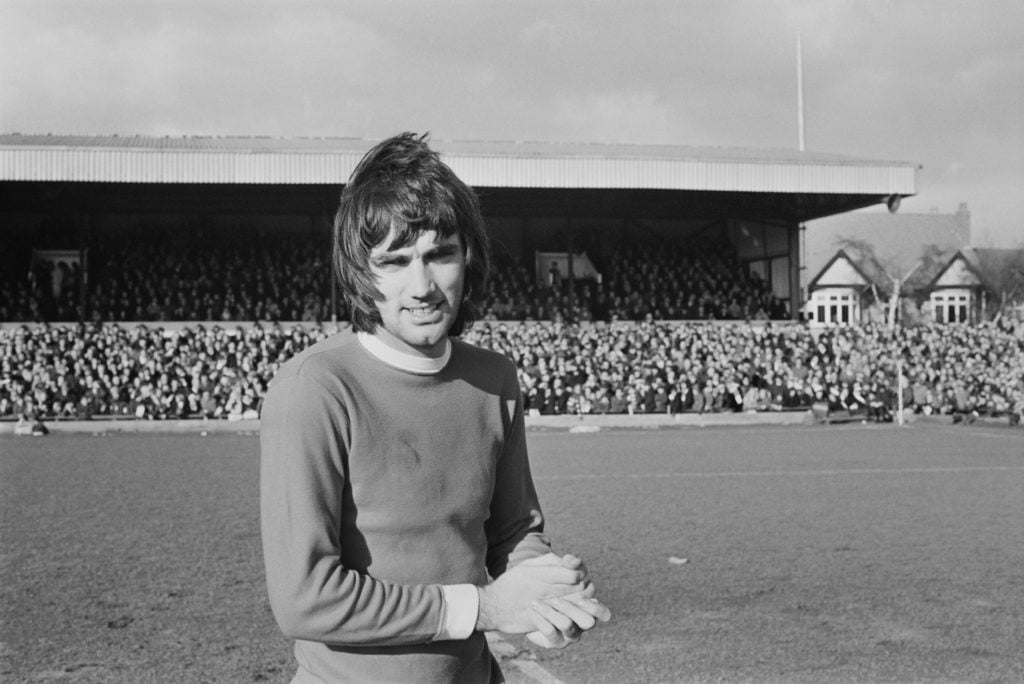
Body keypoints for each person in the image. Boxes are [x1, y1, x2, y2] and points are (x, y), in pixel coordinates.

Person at [259, 133, 610, 684]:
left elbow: (511, 531)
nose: (421, 286)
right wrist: (489, 607)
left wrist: (546, 589)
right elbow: (305, 599)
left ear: (467, 256)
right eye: (394, 261)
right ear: (359, 273)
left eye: (439, 254)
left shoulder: (495, 379)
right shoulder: (313, 389)